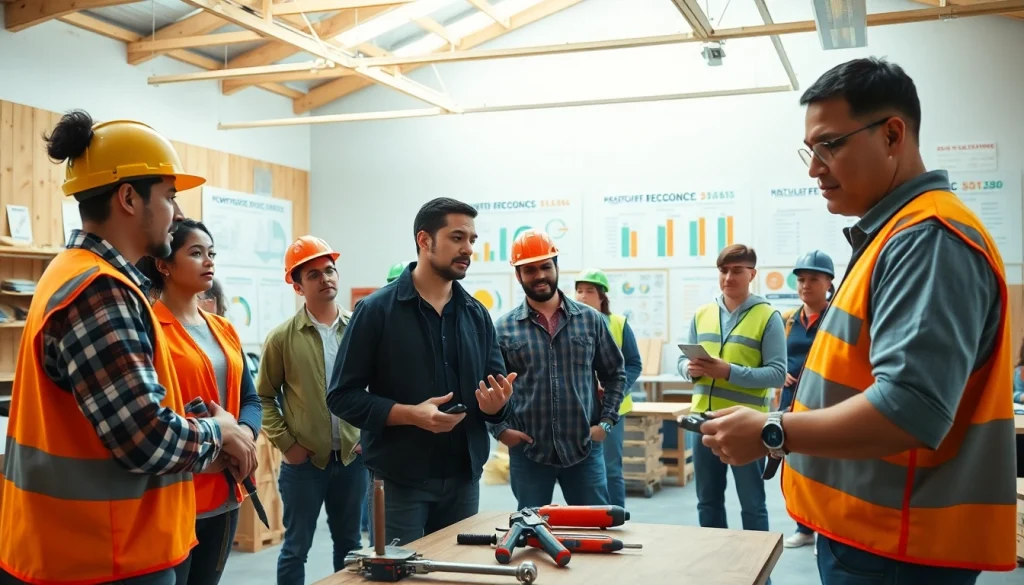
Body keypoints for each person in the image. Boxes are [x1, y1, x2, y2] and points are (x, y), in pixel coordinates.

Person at [701, 57, 1018, 582]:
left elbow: (910, 408)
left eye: (830, 145)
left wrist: (774, 430)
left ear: (892, 134)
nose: (814, 168)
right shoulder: (896, 233)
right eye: (811, 150)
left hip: (897, 546)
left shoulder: (928, 239)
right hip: (873, 532)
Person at [0, 111, 255, 585]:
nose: (176, 214)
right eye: (170, 197)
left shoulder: (82, 277)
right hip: (102, 557)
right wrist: (221, 434)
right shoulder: (99, 291)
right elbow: (146, 438)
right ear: (129, 197)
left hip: (89, 550)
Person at [328, 197, 516, 546]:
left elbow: (496, 395)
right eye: (457, 238)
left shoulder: (477, 315)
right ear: (424, 241)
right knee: (399, 577)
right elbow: (341, 396)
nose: (468, 249)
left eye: (472, 240)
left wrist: (497, 407)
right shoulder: (375, 311)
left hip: (463, 480)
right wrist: (408, 415)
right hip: (401, 480)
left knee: (458, 574)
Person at [136, 219, 263, 585]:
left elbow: (250, 398)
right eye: (195, 253)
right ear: (164, 264)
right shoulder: (149, 329)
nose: (209, 261)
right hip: (176, 493)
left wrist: (242, 436)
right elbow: (151, 416)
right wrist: (217, 440)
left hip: (227, 489)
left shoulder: (223, 328)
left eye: (211, 253)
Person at [256, 235, 366, 585]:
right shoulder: (282, 338)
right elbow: (263, 397)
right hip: (304, 465)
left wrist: (368, 435)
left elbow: (376, 388)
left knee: (350, 546)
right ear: (299, 287)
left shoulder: (359, 330)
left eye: (330, 270)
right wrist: (288, 446)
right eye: (314, 274)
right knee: (295, 548)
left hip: (352, 459)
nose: (326, 279)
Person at [493, 231, 626, 510]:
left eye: (545, 266)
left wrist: (606, 422)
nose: (539, 275)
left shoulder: (590, 320)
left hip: (583, 449)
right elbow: (488, 386)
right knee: (530, 529)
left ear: (556, 267)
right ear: (518, 275)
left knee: (596, 528)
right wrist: (500, 430)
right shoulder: (503, 328)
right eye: (530, 270)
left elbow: (615, 374)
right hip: (529, 452)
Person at [676, 244, 785, 538]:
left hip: (746, 425)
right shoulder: (702, 314)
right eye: (723, 271)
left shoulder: (768, 317)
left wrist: (728, 372)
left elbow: (777, 374)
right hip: (703, 423)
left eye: (737, 271)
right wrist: (688, 369)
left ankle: (761, 576)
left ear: (752, 274)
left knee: (752, 504)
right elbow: (681, 360)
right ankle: (716, 569)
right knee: (708, 502)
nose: (728, 277)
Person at [776, 250, 834, 551]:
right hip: (791, 402)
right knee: (796, 467)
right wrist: (781, 370)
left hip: (824, 402)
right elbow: (774, 357)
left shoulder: (837, 319)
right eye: (801, 280)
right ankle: (804, 528)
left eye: (813, 279)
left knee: (825, 468)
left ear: (828, 283)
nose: (805, 285)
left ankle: (827, 531)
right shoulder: (787, 320)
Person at [573, 268, 644, 508]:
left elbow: (633, 363)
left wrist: (616, 391)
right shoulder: (570, 323)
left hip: (612, 411)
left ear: (602, 295)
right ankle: (590, 518)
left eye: (589, 291)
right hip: (582, 410)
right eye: (579, 291)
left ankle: (616, 517)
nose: (582, 296)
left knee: (612, 467)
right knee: (583, 469)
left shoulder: (618, 323)